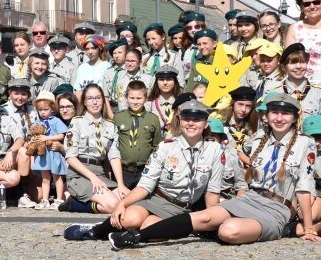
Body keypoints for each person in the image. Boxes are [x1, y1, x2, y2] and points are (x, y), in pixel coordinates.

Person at [100, 94, 321, 249]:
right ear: (267, 115)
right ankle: (136, 237)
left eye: (286, 113)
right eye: (275, 112)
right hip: (250, 199)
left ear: (295, 117)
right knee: (204, 217)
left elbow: (303, 188)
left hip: (275, 208)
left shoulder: (305, 144)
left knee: (229, 231)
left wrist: (309, 227)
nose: (279, 118)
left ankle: (287, 229)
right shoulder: (257, 142)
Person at [64, 100, 224, 246]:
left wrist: (212, 221)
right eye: (186, 119)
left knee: (153, 232)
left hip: (182, 208)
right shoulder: (166, 147)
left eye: (197, 119)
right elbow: (145, 185)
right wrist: (122, 204)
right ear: (180, 121)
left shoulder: (214, 150)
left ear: (205, 123)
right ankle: (95, 231)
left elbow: (212, 192)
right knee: (130, 219)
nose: (191, 123)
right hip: (156, 199)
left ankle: (130, 235)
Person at [60, 84, 124, 214]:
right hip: (80, 175)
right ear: (84, 101)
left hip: (100, 173)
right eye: (90, 98)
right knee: (113, 205)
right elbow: (71, 158)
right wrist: (92, 178)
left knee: (127, 201)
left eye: (98, 98)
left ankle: (86, 201)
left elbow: (114, 156)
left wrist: (121, 184)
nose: (94, 102)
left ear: (103, 100)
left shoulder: (110, 126)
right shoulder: (77, 122)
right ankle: (73, 204)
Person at [112, 81, 162, 190]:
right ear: (126, 98)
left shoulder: (153, 119)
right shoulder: (118, 117)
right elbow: (112, 144)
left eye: (139, 98)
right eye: (132, 98)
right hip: (123, 170)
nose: (135, 102)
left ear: (145, 98)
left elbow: (156, 144)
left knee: (140, 202)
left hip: (144, 171)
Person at [0, 78, 38, 208]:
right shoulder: (3, 110)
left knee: (38, 196)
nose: (20, 97)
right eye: (16, 93)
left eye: (23, 94)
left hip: (32, 149)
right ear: (10, 93)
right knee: (23, 153)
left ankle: (24, 191)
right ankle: (22, 194)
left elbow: (37, 129)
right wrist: (13, 151)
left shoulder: (32, 110)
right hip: (11, 151)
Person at [285, 0, 321, 89]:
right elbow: (289, 60)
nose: (312, 6)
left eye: (316, 2)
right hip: (303, 87)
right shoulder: (295, 28)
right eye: (306, 4)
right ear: (301, 8)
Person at [30, 91, 68, 210]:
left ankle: (59, 199)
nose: (43, 112)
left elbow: (61, 135)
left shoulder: (56, 120)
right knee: (45, 178)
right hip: (43, 155)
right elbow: (35, 133)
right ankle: (45, 200)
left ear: (52, 109)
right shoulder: (38, 122)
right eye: (40, 110)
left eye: (45, 109)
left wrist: (48, 137)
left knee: (57, 177)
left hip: (54, 153)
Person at [274, 43, 321, 122]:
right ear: (283, 67)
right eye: (293, 63)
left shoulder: (318, 93)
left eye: (302, 62)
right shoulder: (275, 92)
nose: (298, 66)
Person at [205, 117, 248, 199]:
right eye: (206, 135)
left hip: (223, 199)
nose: (209, 138)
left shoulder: (232, 157)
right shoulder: (195, 155)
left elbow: (241, 186)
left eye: (213, 136)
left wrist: (237, 205)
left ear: (221, 138)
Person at [223, 86, 259, 169]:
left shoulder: (253, 125)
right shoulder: (222, 124)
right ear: (233, 104)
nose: (244, 109)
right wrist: (248, 161)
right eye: (240, 104)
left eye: (248, 106)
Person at [146, 65, 182, 140]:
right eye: (161, 79)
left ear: (175, 81)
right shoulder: (149, 104)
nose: (165, 83)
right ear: (157, 82)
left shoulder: (182, 103)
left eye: (169, 79)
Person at [103, 39, 128, 110]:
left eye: (120, 52)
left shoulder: (130, 71)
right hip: (111, 107)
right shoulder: (108, 72)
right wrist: (108, 110)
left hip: (126, 107)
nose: (117, 56)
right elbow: (105, 95)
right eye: (114, 53)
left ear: (126, 53)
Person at [180, 12, 206, 81]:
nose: (193, 30)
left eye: (197, 27)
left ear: (203, 27)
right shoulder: (183, 50)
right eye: (189, 28)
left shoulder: (209, 48)